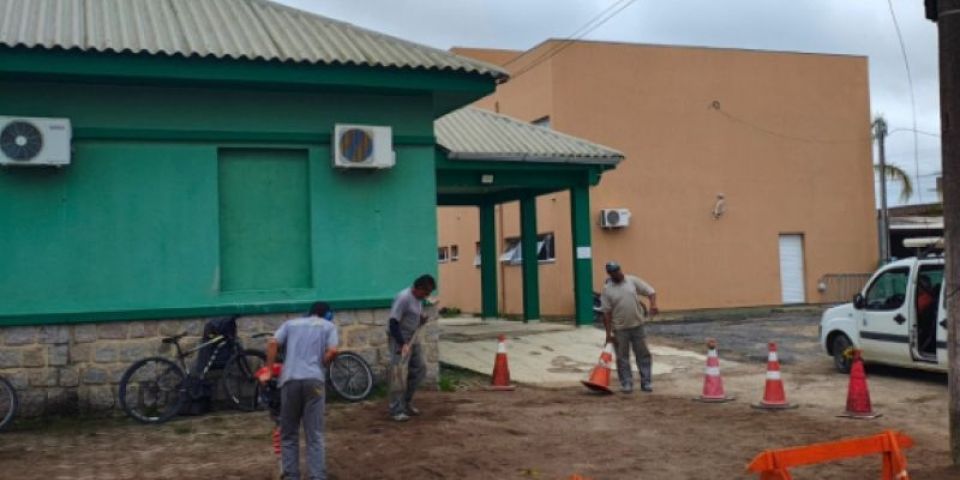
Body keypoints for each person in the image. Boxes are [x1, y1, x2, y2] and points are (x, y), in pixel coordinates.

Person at [259, 302, 339, 480]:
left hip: (290, 381)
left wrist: (269, 370)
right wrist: (323, 362)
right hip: (314, 382)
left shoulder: (291, 324)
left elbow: (272, 343)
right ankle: (317, 476)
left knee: (288, 434)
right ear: (326, 315)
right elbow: (333, 351)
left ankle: (291, 475)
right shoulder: (329, 326)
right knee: (314, 434)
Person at [600, 261, 659, 393]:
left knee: (643, 355)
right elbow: (606, 314)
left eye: (618, 270)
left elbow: (651, 292)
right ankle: (626, 383)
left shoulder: (632, 281)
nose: (618, 273)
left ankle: (646, 382)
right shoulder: (607, 290)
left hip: (638, 325)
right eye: (614, 272)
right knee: (622, 357)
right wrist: (608, 335)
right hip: (619, 329)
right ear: (610, 274)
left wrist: (653, 305)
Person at [387, 274, 437, 421]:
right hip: (399, 340)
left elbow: (412, 316)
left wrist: (420, 320)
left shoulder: (418, 299)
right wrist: (402, 344)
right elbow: (393, 323)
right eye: (426, 293)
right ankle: (396, 410)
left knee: (419, 369)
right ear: (418, 288)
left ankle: (406, 402)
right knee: (398, 374)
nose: (427, 296)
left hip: (412, 338)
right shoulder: (403, 298)